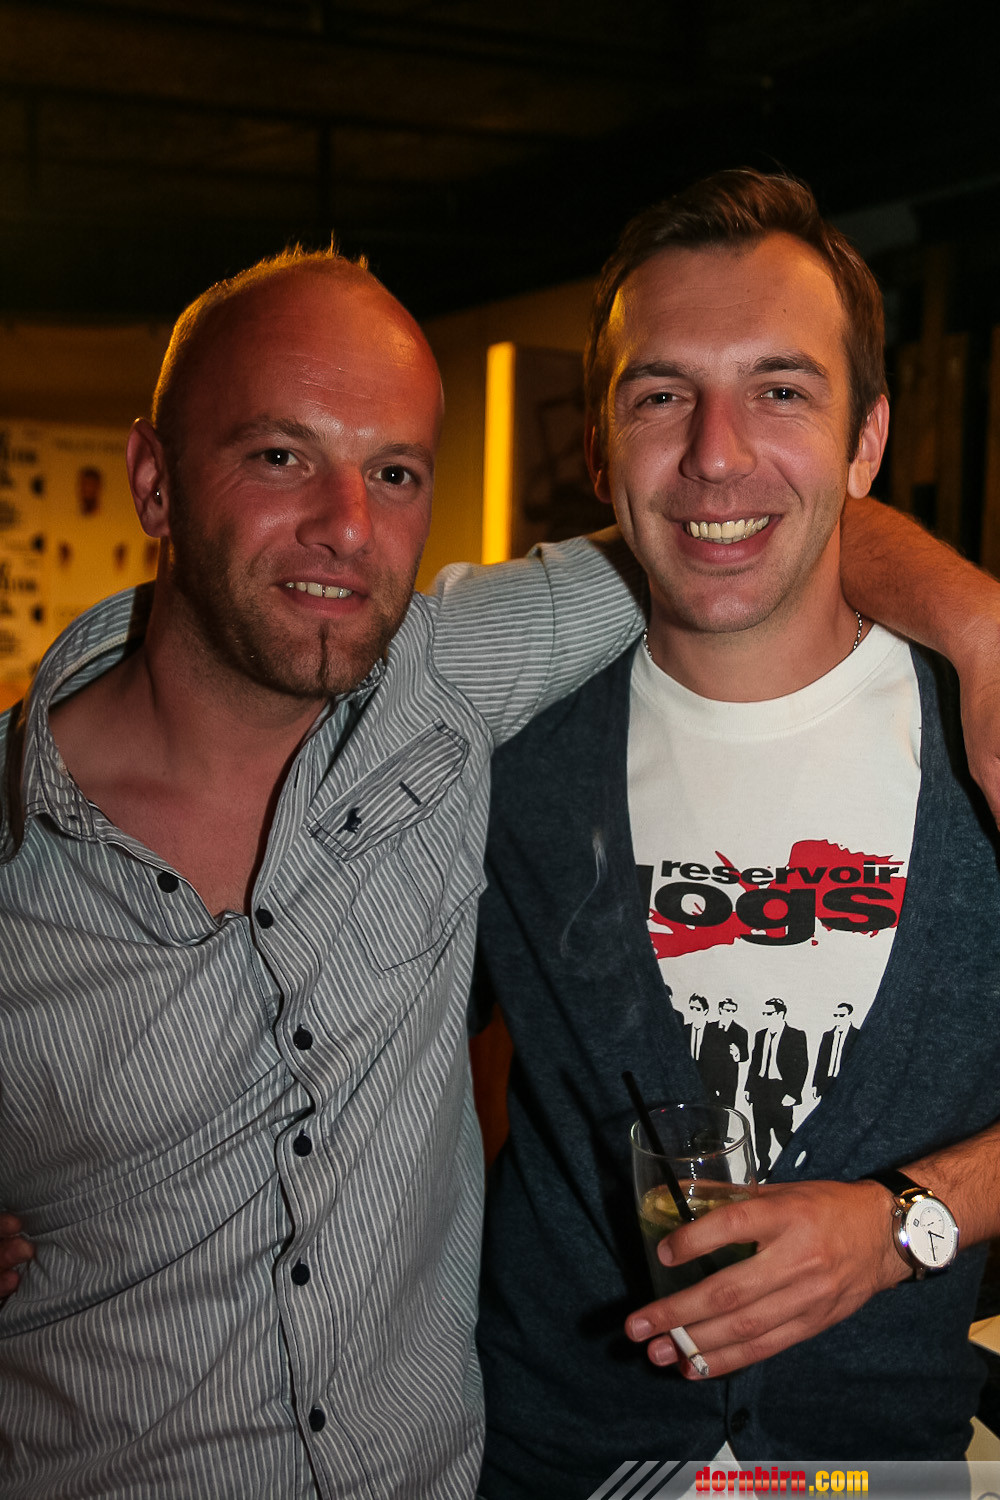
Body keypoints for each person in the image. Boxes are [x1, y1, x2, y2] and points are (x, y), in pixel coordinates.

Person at [0, 248, 648, 1500]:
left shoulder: (442, 684)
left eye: (393, 472)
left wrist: (975, 630)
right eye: (279, 455)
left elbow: (735, 524)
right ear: (154, 481)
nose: (348, 526)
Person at [473, 169, 1000, 1498]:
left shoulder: (986, 746)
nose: (715, 453)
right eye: (661, 395)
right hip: (558, 1465)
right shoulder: (506, 763)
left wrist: (907, 1222)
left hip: (879, 1476)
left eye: (780, 390)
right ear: (600, 450)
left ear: (865, 442)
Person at [744, 998, 808, 1178]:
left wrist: (793, 1094)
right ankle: (764, 1166)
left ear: (781, 1014)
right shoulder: (761, 1035)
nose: (766, 1017)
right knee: (761, 1132)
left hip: (781, 1089)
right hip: (761, 1088)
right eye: (764, 1013)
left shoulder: (795, 1035)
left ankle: (796, 1164)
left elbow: (801, 1066)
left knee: (783, 1131)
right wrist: (749, 1088)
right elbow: (754, 1064)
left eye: (769, 1013)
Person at [700, 996, 748, 1108]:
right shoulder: (710, 1027)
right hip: (710, 1076)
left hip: (728, 1078)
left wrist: (737, 1053)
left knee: (727, 1109)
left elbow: (745, 1055)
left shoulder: (740, 1031)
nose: (729, 1013)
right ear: (720, 1010)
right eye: (727, 1010)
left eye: (732, 1011)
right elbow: (703, 1051)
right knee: (708, 1108)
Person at [812, 1002, 859, 1099]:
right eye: (835, 1015)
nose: (838, 1018)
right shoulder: (827, 1036)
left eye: (841, 1015)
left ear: (850, 1016)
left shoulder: (856, 1035)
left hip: (845, 1083)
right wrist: (815, 1085)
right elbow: (821, 1061)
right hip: (827, 1083)